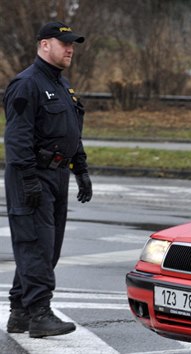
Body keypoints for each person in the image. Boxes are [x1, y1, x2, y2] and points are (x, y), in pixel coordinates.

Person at [3, 21, 92, 338]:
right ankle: (40, 314)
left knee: (48, 248)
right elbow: (17, 139)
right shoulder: (26, 84)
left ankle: (20, 312)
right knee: (35, 247)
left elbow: (70, 132)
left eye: (72, 44)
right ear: (44, 45)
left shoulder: (62, 84)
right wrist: (28, 179)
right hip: (33, 174)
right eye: (64, 42)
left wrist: (80, 169)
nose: (70, 48)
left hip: (57, 175)